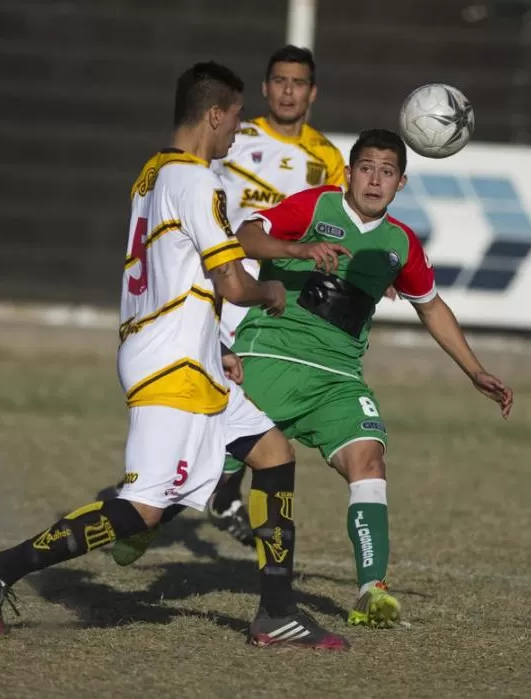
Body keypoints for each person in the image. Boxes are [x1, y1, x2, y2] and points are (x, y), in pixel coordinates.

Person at [0, 61, 350, 650]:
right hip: (172, 364)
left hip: (186, 353)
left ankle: (275, 611)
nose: (239, 130)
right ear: (214, 114)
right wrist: (273, 292)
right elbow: (233, 284)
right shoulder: (197, 181)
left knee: (272, 454)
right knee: (142, 510)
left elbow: (175, 273)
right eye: (237, 116)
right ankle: (0, 567)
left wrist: (217, 344)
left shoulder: (151, 174)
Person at [116, 128, 514, 629]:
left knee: (369, 459)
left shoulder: (400, 244)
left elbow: (431, 307)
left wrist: (475, 370)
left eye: (387, 172)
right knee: (211, 468)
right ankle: (142, 518)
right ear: (348, 174)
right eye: (366, 168)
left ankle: (372, 591)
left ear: (402, 183)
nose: (375, 180)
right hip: (270, 357)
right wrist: (299, 250)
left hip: (338, 377)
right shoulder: (316, 206)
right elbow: (245, 237)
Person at [205, 44, 346, 545]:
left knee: (254, 395)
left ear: (313, 92)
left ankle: (218, 488)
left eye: (298, 83)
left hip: (279, 295)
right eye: (280, 81)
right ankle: (198, 487)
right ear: (265, 88)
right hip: (224, 282)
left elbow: (342, 226)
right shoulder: (234, 138)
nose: (289, 91)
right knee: (219, 391)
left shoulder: (327, 158)